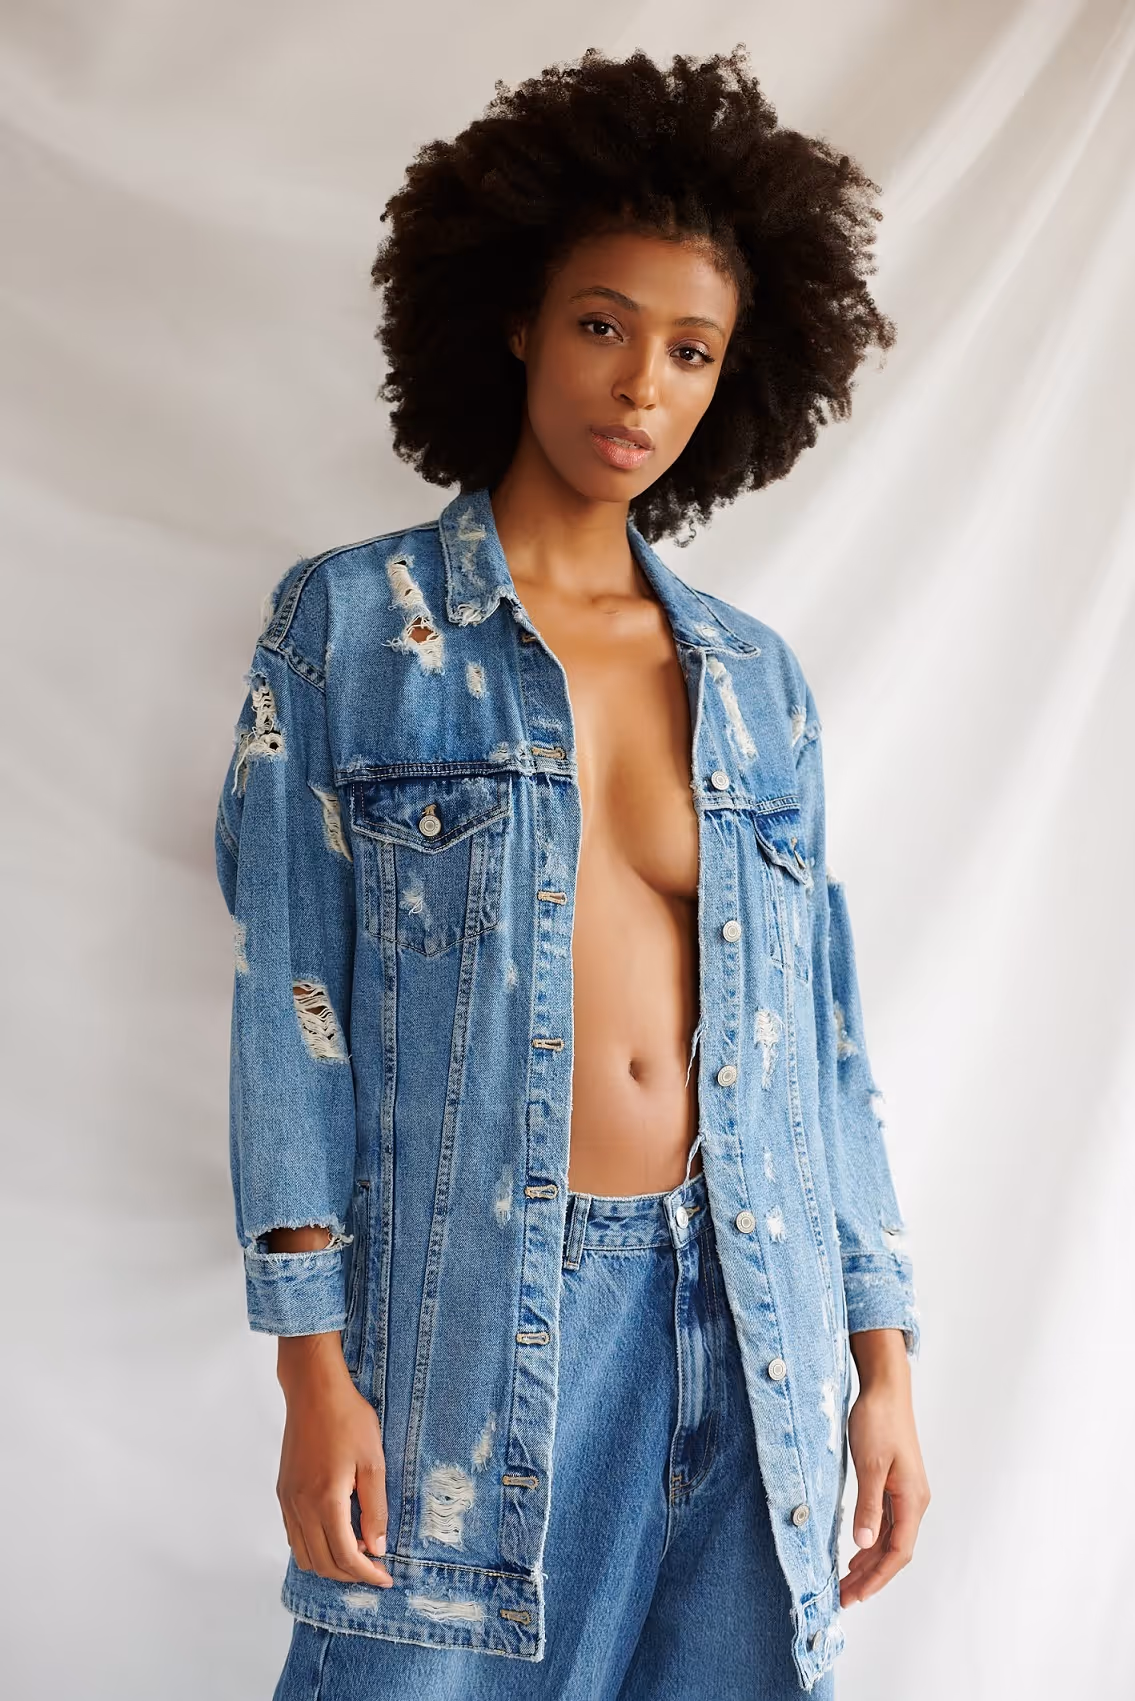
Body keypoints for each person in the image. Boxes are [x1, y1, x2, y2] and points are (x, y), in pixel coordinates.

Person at [215, 44, 929, 1701]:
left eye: (690, 350)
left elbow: (823, 1053)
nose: (640, 389)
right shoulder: (354, 628)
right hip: (474, 1326)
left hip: (749, 1314)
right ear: (516, 322)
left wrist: (880, 1357)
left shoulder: (754, 682)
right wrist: (309, 1368)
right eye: (604, 324)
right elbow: (286, 1007)